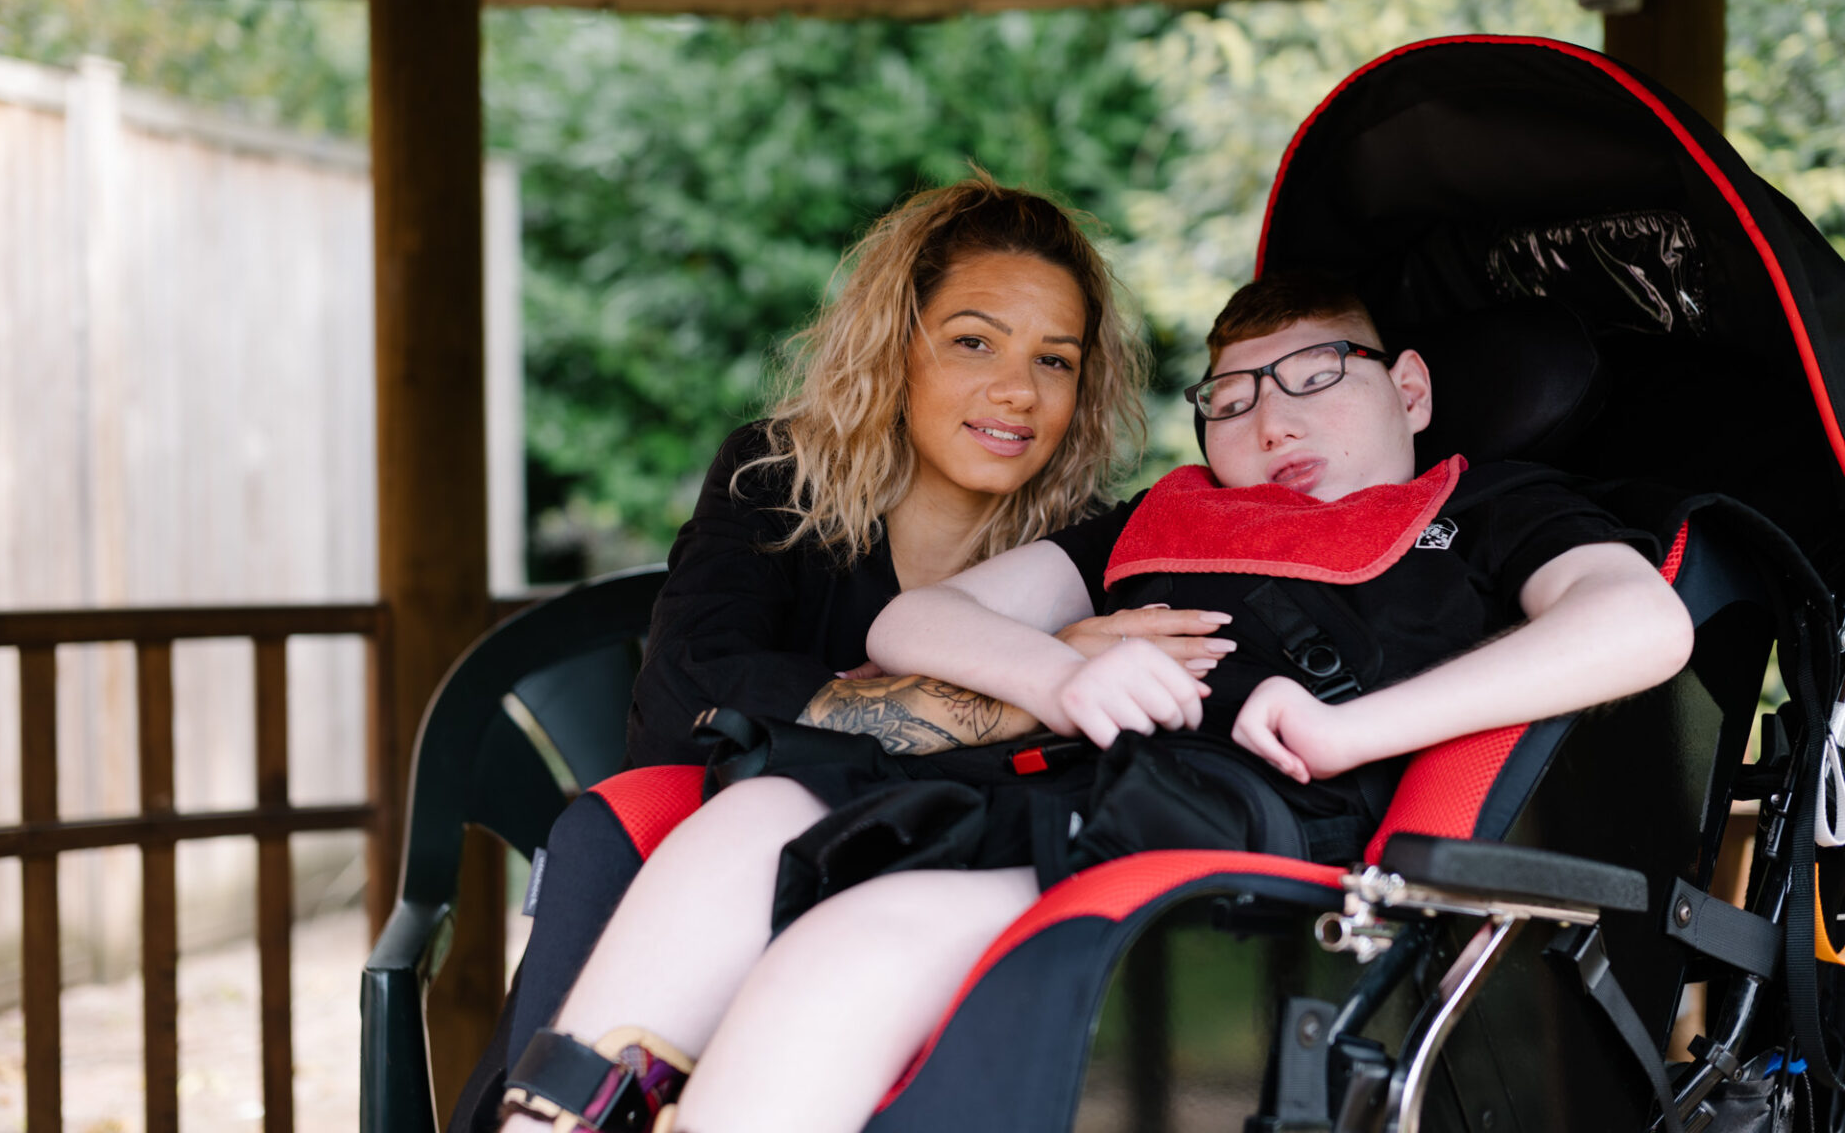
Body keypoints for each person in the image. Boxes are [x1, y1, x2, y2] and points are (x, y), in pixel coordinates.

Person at [499, 271, 1695, 1133]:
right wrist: (1060, 673)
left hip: (1235, 817)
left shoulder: (1484, 508)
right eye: (1230, 399)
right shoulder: (1159, 519)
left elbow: (1641, 620)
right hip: (1054, 775)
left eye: (1316, 376)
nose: (1273, 419)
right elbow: (913, 622)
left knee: (843, 950)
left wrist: (1351, 729)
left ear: (1413, 388)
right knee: (743, 825)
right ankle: (554, 1113)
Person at [485, 174, 1187, 1130]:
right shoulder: (779, 481)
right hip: (734, 868)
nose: (1017, 391)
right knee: (617, 842)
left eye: (1055, 361)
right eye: (973, 341)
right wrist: (1036, 679)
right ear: (896, 347)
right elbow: (688, 702)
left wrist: (845, 708)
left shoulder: (1095, 550)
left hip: (931, 899)